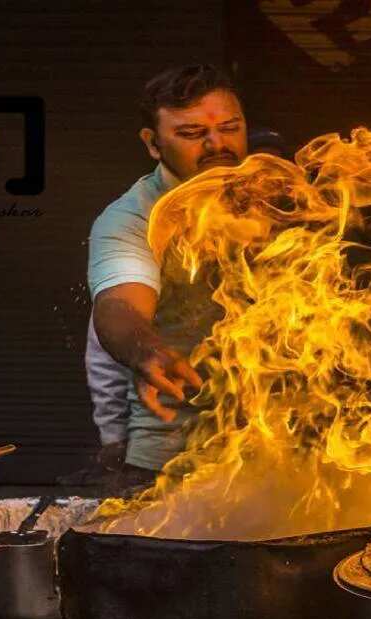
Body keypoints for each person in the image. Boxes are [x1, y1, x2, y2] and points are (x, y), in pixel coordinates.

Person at [86, 64, 249, 487]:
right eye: (192, 134)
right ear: (153, 143)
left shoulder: (282, 197)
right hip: (174, 459)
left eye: (230, 127)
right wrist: (146, 351)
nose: (217, 144)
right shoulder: (131, 219)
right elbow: (119, 305)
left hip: (283, 450)